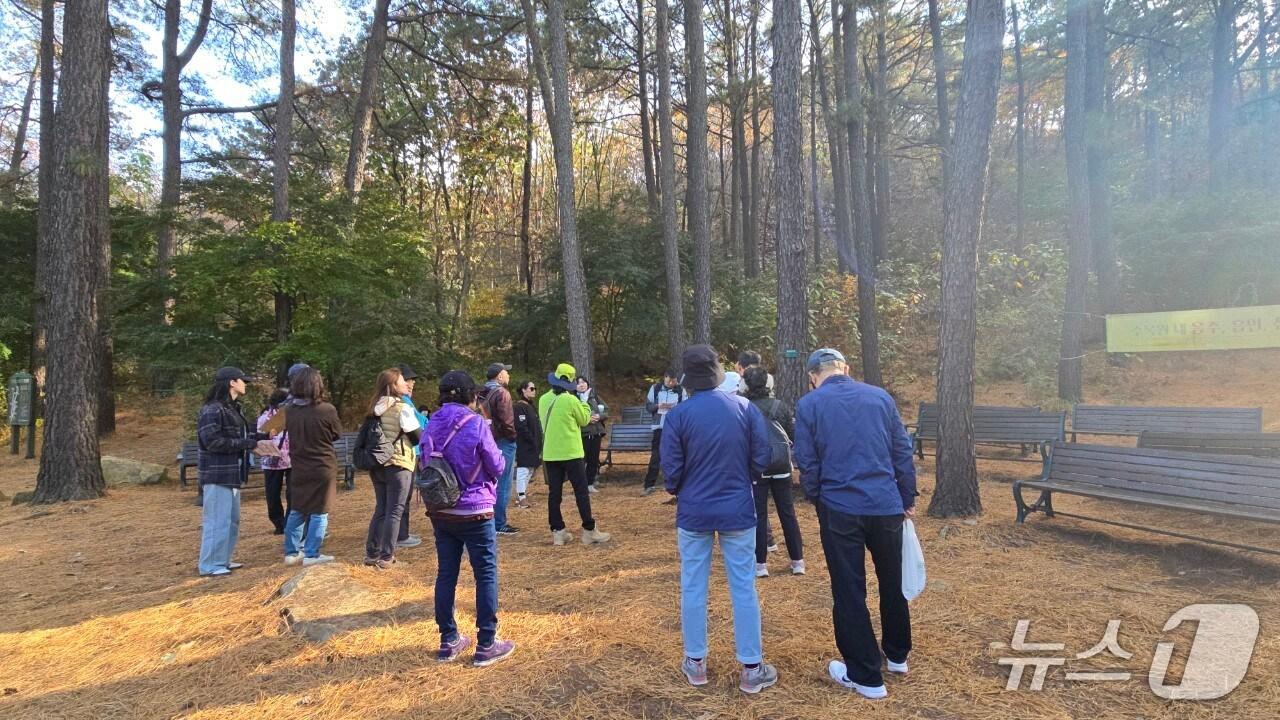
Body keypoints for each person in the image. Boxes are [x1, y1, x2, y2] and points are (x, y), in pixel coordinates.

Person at [794, 348, 918, 700]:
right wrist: (906, 497)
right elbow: (901, 451)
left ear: (813, 376)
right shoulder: (880, 397)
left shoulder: (810, 404)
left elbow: (807, 458)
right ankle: (896, 655)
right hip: (885, 504)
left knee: (849, 589)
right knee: (893, 581)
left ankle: (865, 675)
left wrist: (817, 497)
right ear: (845, 369)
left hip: (840, 506)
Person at [662, 344, 777, 694]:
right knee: (743, 586)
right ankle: (751, 667)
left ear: (688, 380)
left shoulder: (679, 416)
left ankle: (696, 662)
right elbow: (763, 455)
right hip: (738, 509)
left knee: (693, 584)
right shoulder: (743, 408)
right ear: (717, 374)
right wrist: (744, 478)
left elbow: (671, 469)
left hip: (694, 510)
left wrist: (684, 488)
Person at [423, 370, 516, 666]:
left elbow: (424, 461)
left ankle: (448, 640)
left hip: (441, 509)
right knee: (485, 573)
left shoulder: (431, 422)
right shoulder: (475, 423)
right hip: (476, 510)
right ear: (470, 396)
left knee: (446, 573)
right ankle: (486, 643)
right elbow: (497, 464)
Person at [197, 367, 276, 577]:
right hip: (217, 474)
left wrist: (263, 435)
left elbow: (243, 433)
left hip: (233, 474)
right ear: (232, 382)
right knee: (217, 520)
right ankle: (210, 565)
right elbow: (212, 442)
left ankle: (222, 560)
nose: (245, 384)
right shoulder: (212, 410)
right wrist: (248, 443)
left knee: (231, 520)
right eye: (243, 380)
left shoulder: (232, 409)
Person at [742, 366, 805, 577]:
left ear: (746, 386)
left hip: (757, 469)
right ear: (769, 384)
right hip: (781, 467)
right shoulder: (780, 406)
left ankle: (760, 565)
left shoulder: (744, 407)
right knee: (788, 513)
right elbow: (792, 434)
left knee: (759, 515)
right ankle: (798, 562)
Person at [540, 363, 612, 546]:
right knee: (581, 491)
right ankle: (589, 530)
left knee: (554, 494)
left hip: (550, 453)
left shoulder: (542, 399)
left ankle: (558, 532)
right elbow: (584, 419)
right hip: (571, 452)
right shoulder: (571, 400)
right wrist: (585, 404)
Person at [282, 367, 344, 566]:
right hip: (322, 466)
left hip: (299, 465)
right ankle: (311, 554)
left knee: (297, 509)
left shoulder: (289, 411)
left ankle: (292, 552)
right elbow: (337, 434)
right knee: (320, 511)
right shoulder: (326, 410)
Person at [363, 368, 424, 569]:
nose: (406, 384)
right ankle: (387, 557)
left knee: (381, 509)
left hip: (378, 465)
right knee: (395, 511)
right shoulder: (401, 408)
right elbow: (417, 437)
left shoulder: (374, 408)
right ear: (392, 386)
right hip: (398, 463)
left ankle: (371, 553)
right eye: (402, 381)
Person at [480, 362, 520, 536]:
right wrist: (512, 437)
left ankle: (486, 519)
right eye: (506, 373)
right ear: (499, 376)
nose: (509, 376)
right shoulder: (502, 393)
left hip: (484, 440)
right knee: (503, 482)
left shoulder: (479, 392)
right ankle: (499, 523)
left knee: (487, 481)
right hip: (502, 441)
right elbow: (506, 420)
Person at [395, 363, 429, 550]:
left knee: (404, 495)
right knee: (403, 495)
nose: (411, 383)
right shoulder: (403, 402)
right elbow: (417, 425)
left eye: (412, 380)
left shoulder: (406, 401)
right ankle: (400, 535)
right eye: (407, 380)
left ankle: (402, 533)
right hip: (408, 453)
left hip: (411, 452)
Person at [641, 369, 686, 495]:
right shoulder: (655, 388)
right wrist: (658, 406)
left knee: (677, 455)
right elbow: (648, 407)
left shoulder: (681, 390)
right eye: (670, 380)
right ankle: (649, 485)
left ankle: (677, 485)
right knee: (656, 456)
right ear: (665, 378)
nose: (672, 383)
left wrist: (675, 408)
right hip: (659, 427)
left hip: (675, 428)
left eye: (674, 381)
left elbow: (686, 407)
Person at [257, 388, 292, 535]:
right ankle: (278, 523)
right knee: (272, 494)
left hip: (292, 459)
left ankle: (291, 522)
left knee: (293, 493)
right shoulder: (264, 418)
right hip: (271, 460)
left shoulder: (293, 416)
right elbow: (258, 438)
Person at [513, 379, 543, 508]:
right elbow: (521, 426)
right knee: (523, 469)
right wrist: (531, 439)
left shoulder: (530, 406)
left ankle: (522, 495)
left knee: (530, 469)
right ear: (523, 390)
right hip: (524, 444)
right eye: (531, 388)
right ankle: (521, 497)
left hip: (534, 444)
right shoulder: (519, 406)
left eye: (534, 388)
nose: (534, 391)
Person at [576, 376, 608, 493]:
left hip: (596, 433)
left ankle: (590, 484)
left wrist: (599, 416)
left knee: (593, 460)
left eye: (583, 382)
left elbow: (606, 410)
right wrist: (587, 419)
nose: (581, 385)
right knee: (581, 461)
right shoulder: (574, 399)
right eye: (578, 383)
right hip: (582, 434)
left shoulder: (594, 397)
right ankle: (580, 485)